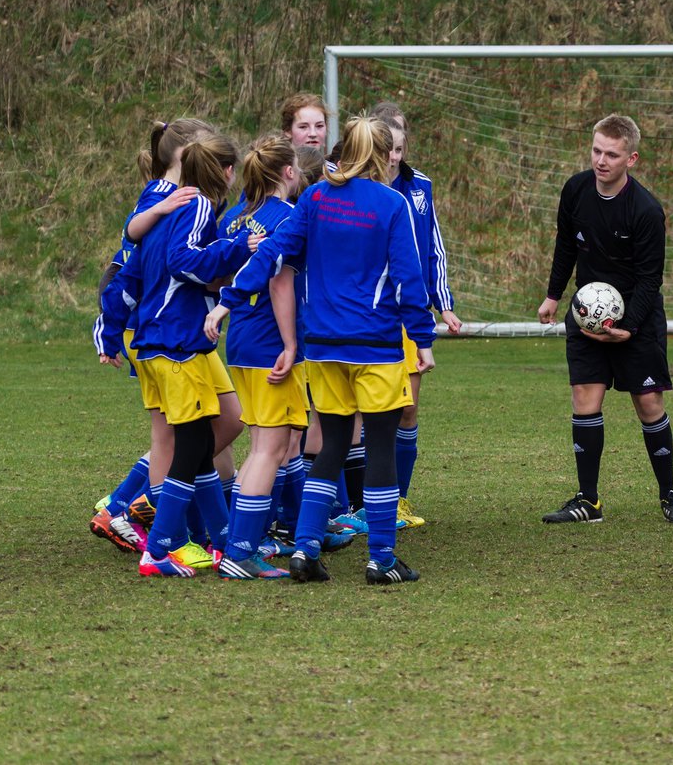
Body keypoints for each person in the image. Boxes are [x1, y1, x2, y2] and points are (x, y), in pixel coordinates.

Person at [213, 115, 436, 585]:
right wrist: (421, 339)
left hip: (324, 347)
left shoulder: (313, 197)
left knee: (331, 445)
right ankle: (381, 558)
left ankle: (306, 549)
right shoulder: (391, 204)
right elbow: (409, 283)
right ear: (379, 154)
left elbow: (273, 255)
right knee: (378, 449)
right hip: (375, 346)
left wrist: (228, 302)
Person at [96, 133, 255, 576]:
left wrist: (112, 335)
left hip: (176, 341)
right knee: (188, 442)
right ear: (225, 172)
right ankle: (159, 543)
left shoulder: (167, 205)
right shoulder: (196, 205)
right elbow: (184, 261)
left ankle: (220, 540)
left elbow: (132, 265)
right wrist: (240, 248)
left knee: (216, 428)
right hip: (174, 343)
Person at [537, 115, 673, 525]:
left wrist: (631, 327)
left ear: (632, 158)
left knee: (648, 403)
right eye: (596, 150)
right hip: (587, 316)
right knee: (584, 400)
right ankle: (588, 501)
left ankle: (669, 495)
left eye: (612, 154)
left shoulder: (645, 210)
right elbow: (565, 246)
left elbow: (649, 279)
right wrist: (554, 295)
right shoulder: (575, 190)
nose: (601, 161)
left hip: (636, 317)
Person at [206, 134, 307, 579]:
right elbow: (275, 276)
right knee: (272, 446)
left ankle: (240, 540)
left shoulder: (234, 218)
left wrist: (225, 305)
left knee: (263, 445)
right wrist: (290, 343)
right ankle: (241, 552)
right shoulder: (288, 216)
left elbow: (217, 266)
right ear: (288, 172)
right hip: (269, 341)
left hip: (240, 343)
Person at [382, 117, 461, 531]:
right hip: (372, 312)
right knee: (365, 416)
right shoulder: (357, 186)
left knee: (407, 410)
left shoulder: (420, 186)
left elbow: (433, 248)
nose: (394, 157)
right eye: (387, 148)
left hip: (411, 312)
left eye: (400, 148)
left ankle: (399, 500)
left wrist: (443, 303)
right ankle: (359, 503)